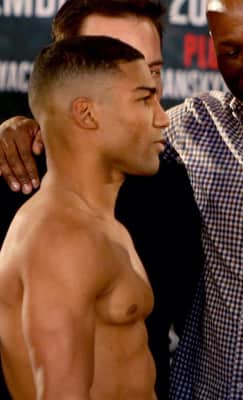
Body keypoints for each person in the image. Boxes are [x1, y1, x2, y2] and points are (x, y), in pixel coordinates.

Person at [1, 0, 243, 399]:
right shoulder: (184, 135)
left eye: (151, 75)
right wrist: (33, 126)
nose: (159, 114)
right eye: (231, 51)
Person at [0, 1, 204, 399]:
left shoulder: (166, 184)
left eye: (153, 73)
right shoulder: (52, 227)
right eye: (113, 64)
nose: (163, 115)